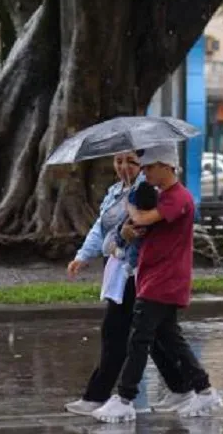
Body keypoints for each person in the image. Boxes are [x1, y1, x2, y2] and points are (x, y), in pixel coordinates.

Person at [92, 143, 221, 423]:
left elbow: (142, 218)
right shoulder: (162, 196)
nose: (145, 173)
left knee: (139, 338)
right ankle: (203, 388)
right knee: (171, 340)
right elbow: (140, 227)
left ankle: (125, 397)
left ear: (167, 166)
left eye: (149, 168)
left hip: (164, 279)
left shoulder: (178, 197)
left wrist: (129, 202)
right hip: (152, 276)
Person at [64, 152, 189, 416]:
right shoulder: (115, 191)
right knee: (154, 336)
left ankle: (103, 396)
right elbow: (102, 227)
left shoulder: (147, 192)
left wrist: (121, 238)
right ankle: (184, 387)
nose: (124, 167)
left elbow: (143, 232)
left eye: (132, 161)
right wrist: (83, 256)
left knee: (119, 332)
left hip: (139, 272)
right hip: (120, 271)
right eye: (118, 161)